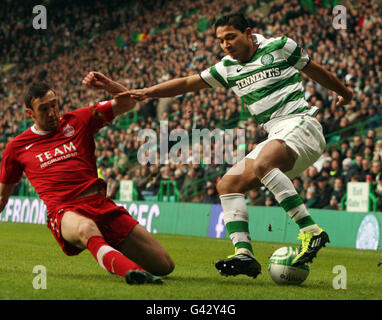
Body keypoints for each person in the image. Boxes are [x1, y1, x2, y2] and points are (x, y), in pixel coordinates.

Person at [118, 13, 353, 279]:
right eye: (220, 41)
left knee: (264, 163)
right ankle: (244, 254)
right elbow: (186, 83)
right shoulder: (226, 68)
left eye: (231, 37)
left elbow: (313, 69)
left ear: (248, 33)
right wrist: (147, 92)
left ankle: (312, 232)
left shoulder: (279, 46)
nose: (226, 44)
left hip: (302, 123)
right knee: (228, 185)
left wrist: (344, 93)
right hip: (276, 133)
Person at [0, 72, 174, 285]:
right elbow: (2, 198)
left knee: (165, 265)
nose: (52, 112)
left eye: (54, 105)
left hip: (101, 204)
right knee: (85, 229)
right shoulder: (16, 147)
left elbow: (128, 103)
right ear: (30, 113)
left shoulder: (79, 120)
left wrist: (109, 85)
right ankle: (131, 272)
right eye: (44, 109)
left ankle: (111, 255)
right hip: (65, 211)